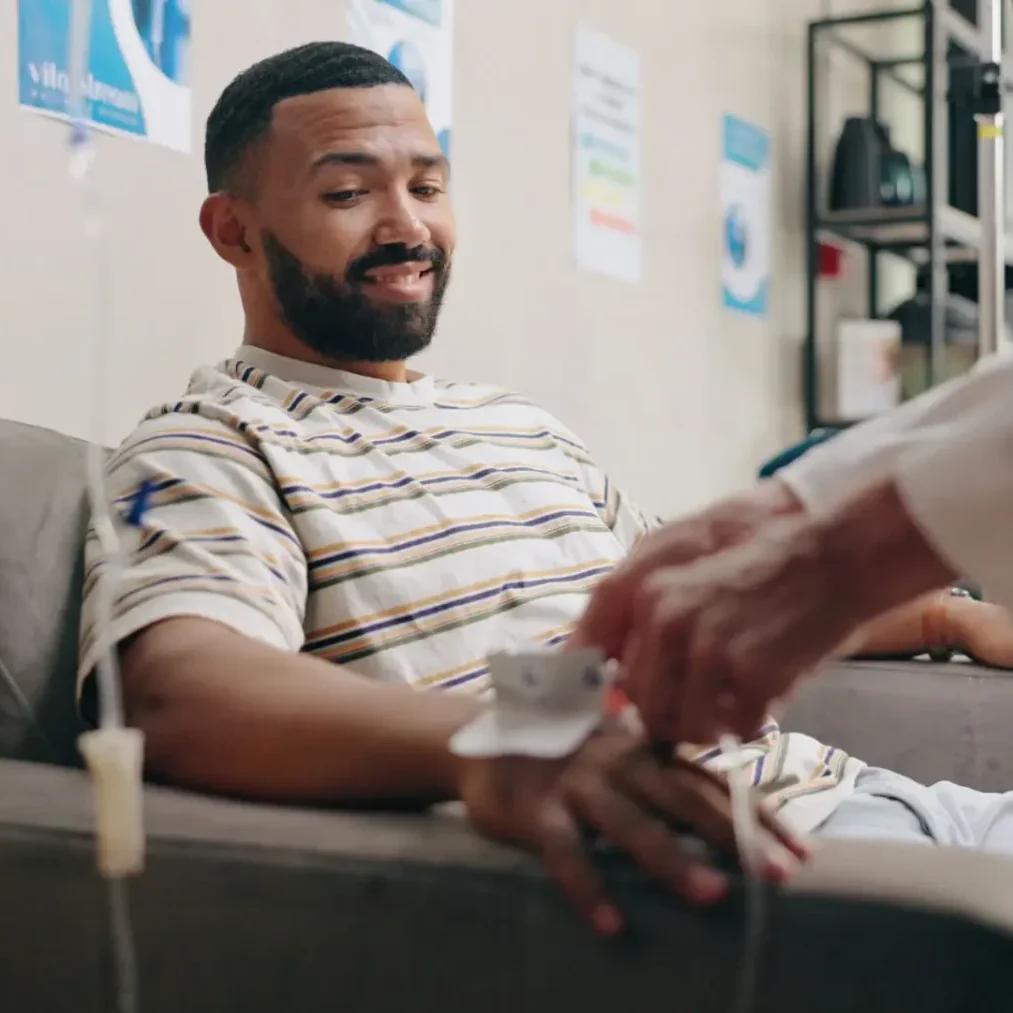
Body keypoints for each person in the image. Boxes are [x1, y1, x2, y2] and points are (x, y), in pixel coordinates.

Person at [78, 42, 1013, 934]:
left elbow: (706, 596)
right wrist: (496, 740)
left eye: (429, 186)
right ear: (232, 230)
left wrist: (944, 616)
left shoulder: (517, 424)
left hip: (886, 801)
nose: (407, 226)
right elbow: (175, 688)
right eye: (349, 192)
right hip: (762, 861)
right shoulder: (210, 444)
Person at [574, 355, 1013, 853]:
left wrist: (947, 617)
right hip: (764, 841)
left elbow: (718, 601)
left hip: (869, 793)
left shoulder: (528, 431)